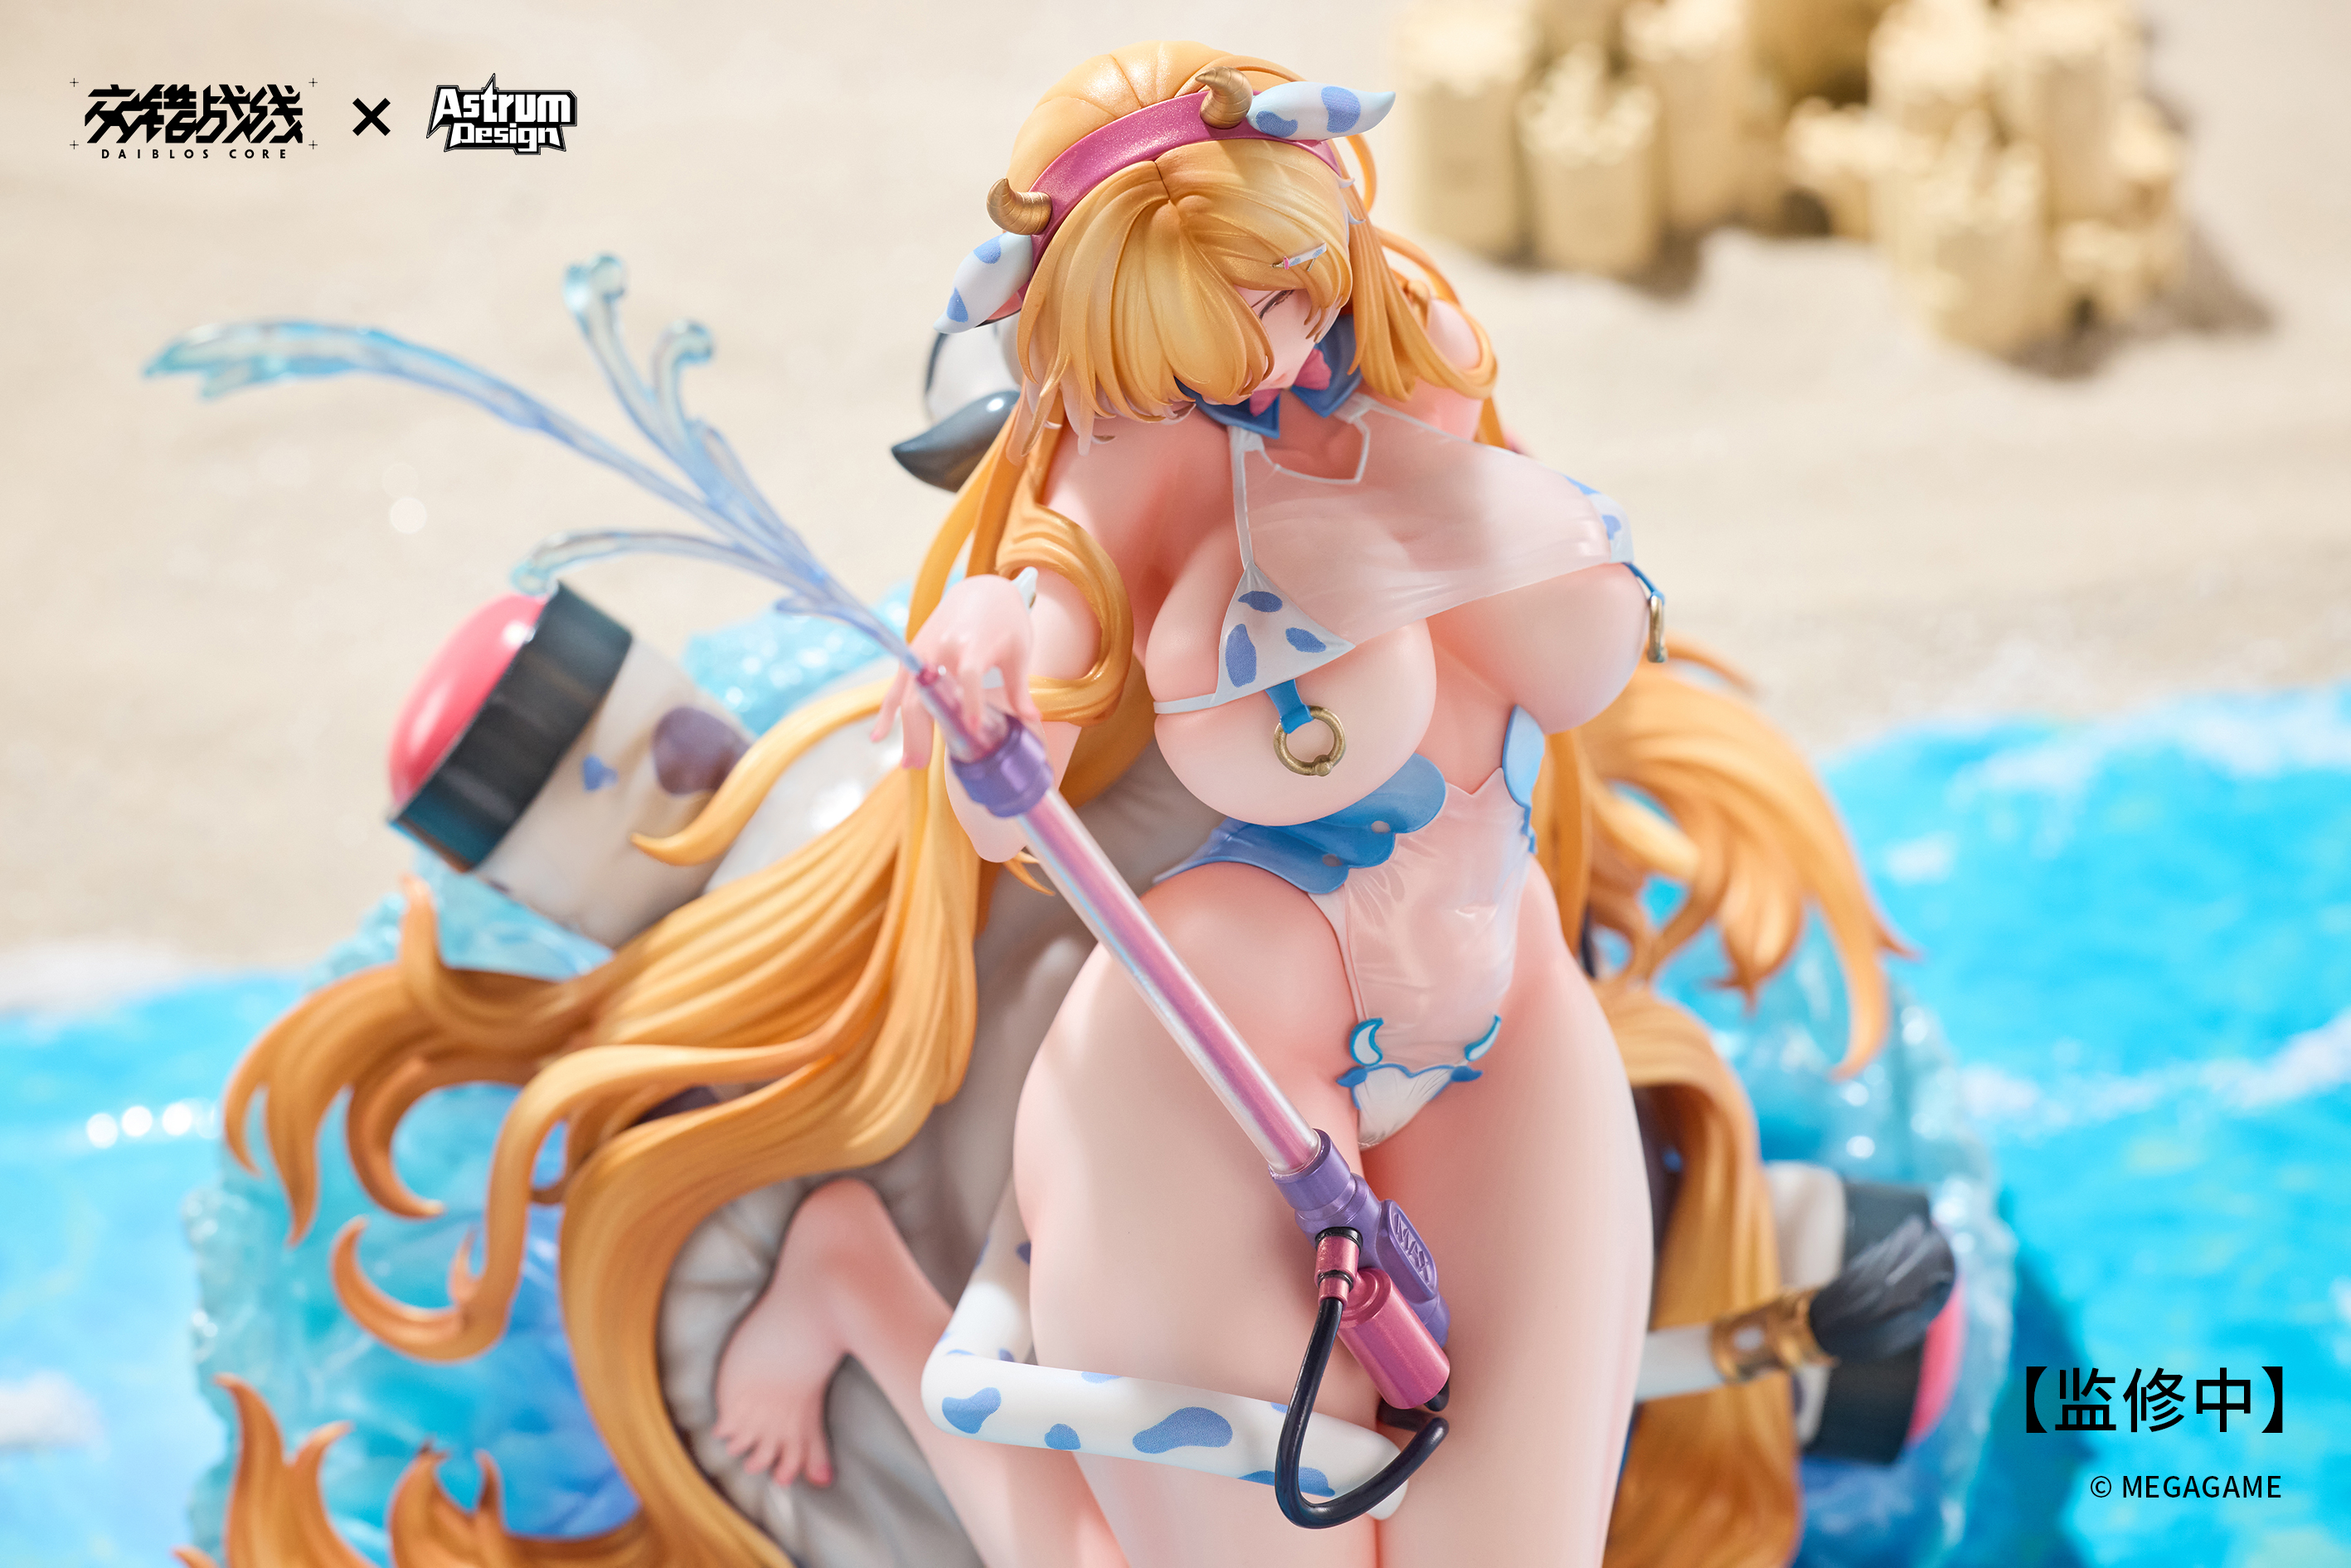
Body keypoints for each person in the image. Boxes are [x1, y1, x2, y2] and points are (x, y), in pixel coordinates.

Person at [199, 40, 1902, 1568]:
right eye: (1193, 353)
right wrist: (986, 663)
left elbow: (1564, 629)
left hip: (1488, 988)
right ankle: (857, 1273)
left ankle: (865, 1284)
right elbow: (1045, 604)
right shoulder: (1127, 451)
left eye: (1276, 305)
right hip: (1211, 1043)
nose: (1259, 370)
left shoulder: (1413, 364)